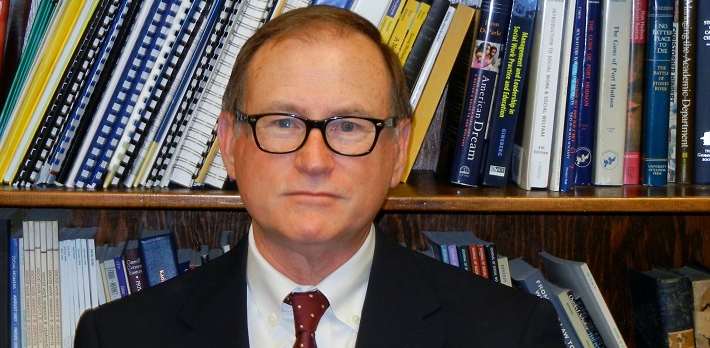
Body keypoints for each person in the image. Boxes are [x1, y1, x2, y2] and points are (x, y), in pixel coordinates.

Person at [74, 6, 563, 347]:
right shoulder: (117, 336)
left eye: (348, 126)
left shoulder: (509, 333)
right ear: (228, 143)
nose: (314, 160)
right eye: (283, 122)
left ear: (398, 151)